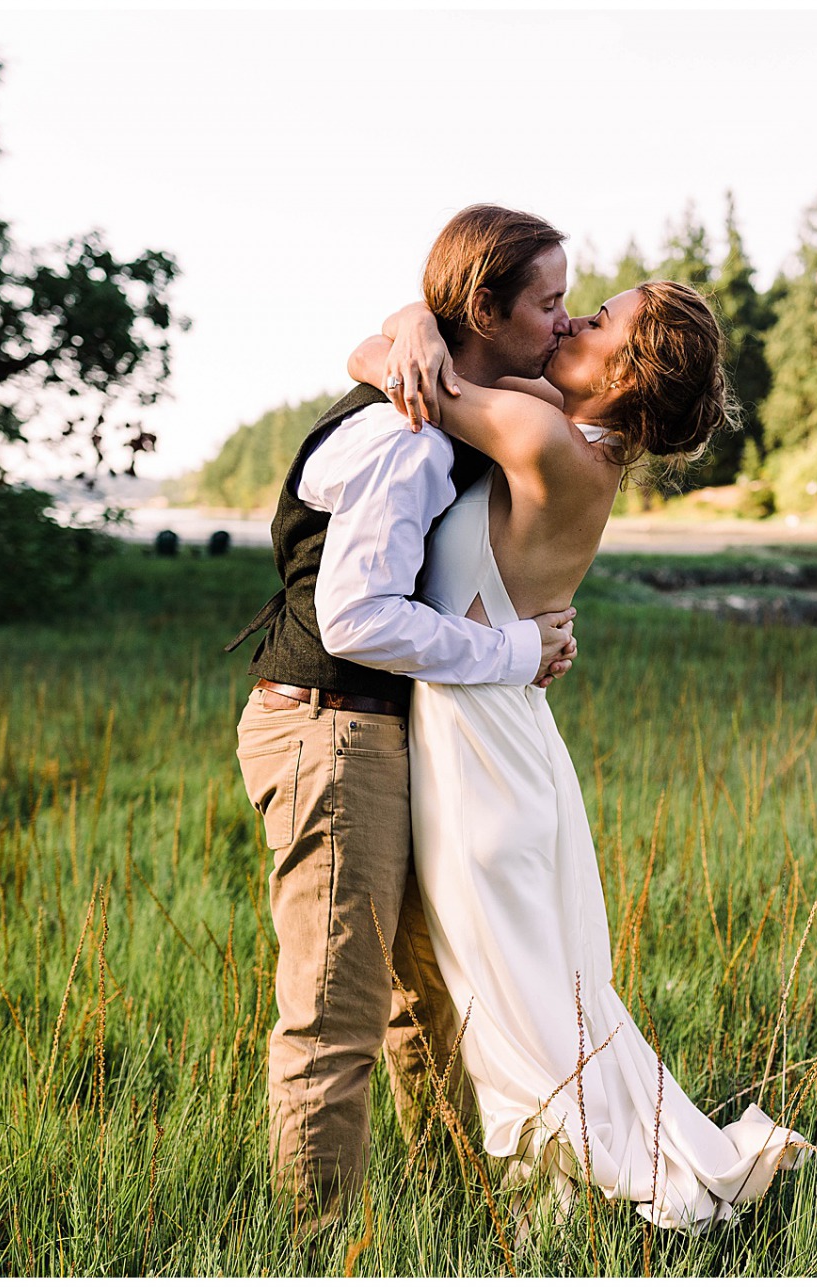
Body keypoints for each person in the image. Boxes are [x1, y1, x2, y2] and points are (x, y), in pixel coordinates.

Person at [343, 281, 808, 1229]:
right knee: (538, 990)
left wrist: (412, 329)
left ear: (625, 371)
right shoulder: (575, 440)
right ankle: (566, 1201)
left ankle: (617, 1196)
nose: (573, 323)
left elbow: (381, 370)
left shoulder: (539, 433)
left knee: (510, 1004)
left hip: (478, 755)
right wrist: (416, 325)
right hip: (510, 740)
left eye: (601, 323)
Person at [227, 205, 585, 1227]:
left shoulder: (445, 395)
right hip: (329, 727)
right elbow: (358, 617)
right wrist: (514, 653)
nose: (563, 323)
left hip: (374, 732)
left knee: (421, 995)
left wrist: (409, 325)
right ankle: (318, 1239)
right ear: (483, 308)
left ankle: (452, 1213)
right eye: (549, 303)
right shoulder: (407, 436)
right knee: (335, 1006)